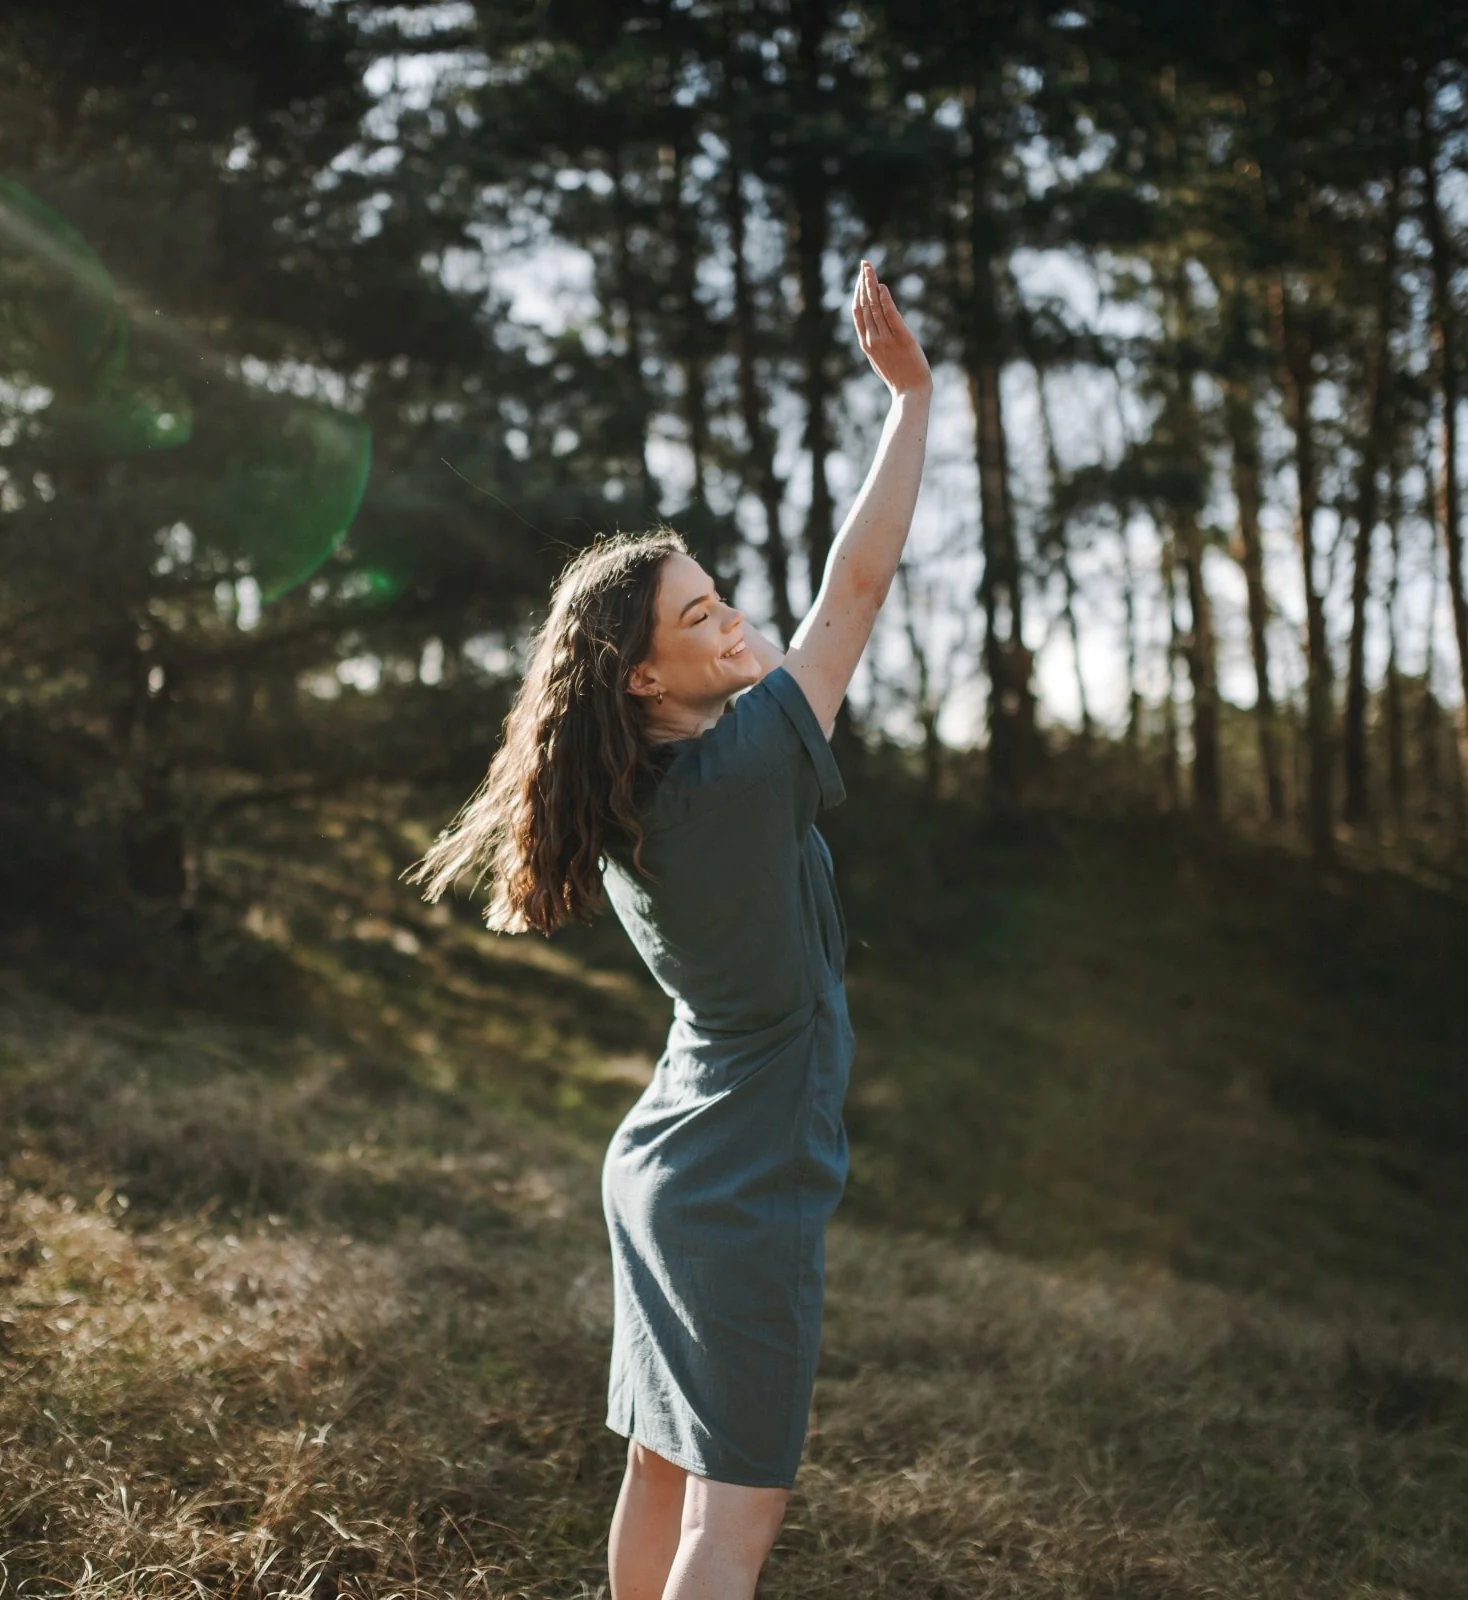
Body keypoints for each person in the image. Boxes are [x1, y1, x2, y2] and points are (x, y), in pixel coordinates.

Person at [411, 261, 931, 1600]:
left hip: (664, 1167)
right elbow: (858, 586)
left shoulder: (634, 793)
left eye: (719, 594)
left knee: (660, 1467)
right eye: (701, 616)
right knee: (732, 1524)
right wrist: (910, 404)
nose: (735, 619)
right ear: (644, 674)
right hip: (740, 1190)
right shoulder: (742, 772)